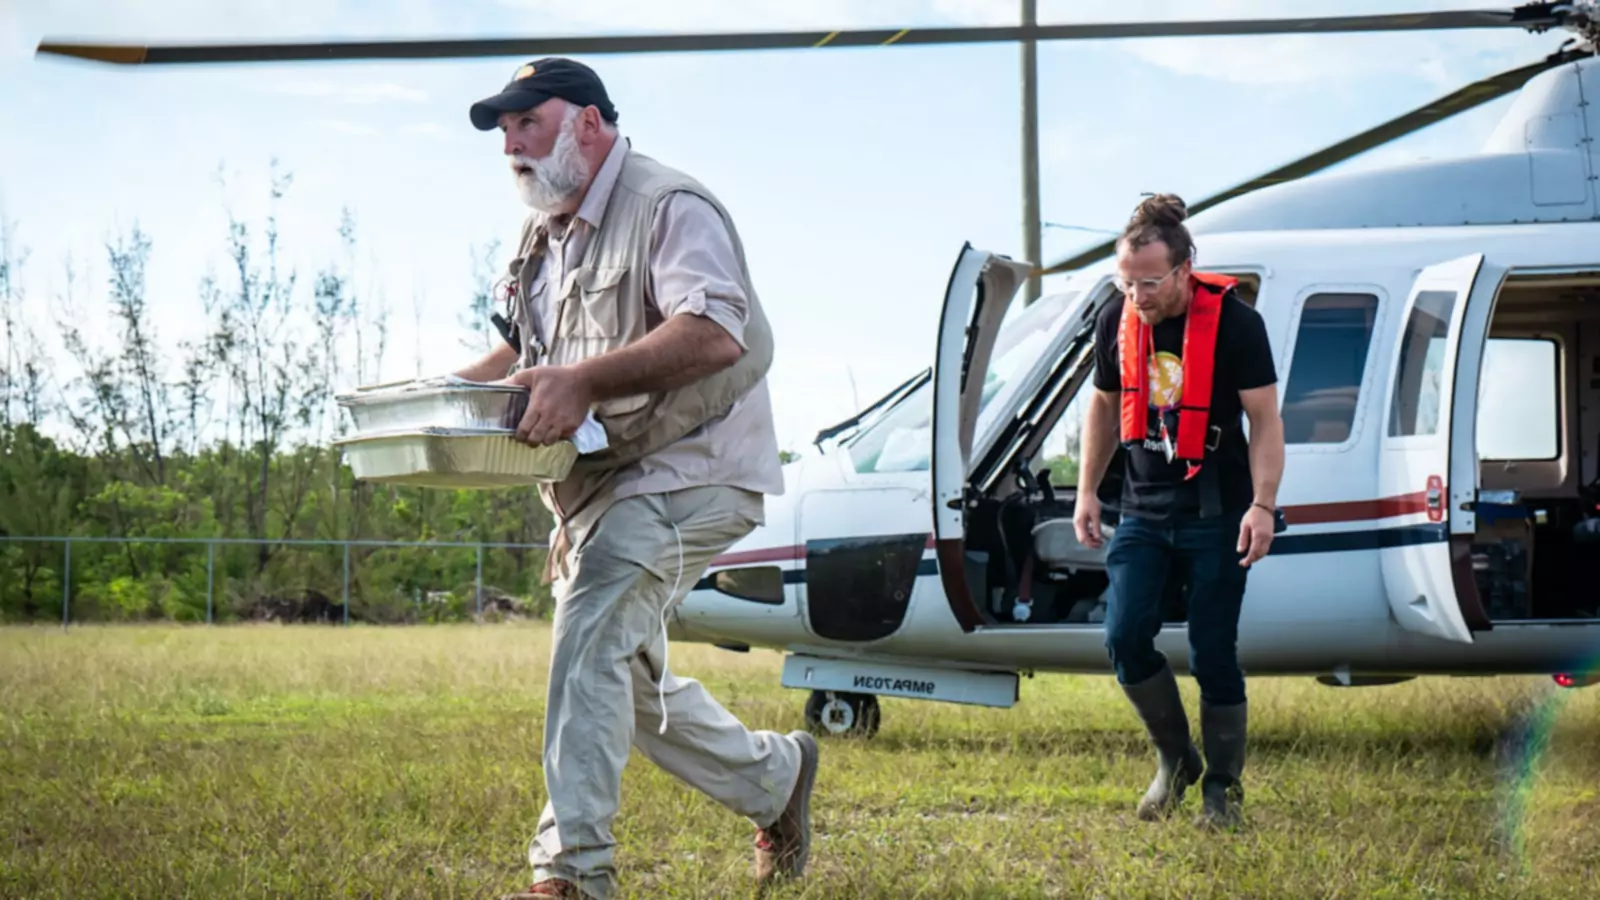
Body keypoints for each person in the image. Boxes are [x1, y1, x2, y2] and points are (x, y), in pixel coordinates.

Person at [451, 57, 819, 900]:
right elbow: (527, 354)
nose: (510, 144)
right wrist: (442, 400)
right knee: (626, 677)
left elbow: (717, 331)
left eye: (526, 123)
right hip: (602, 484)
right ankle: (776, 780)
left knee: (587, 639)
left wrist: (583, 383)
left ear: (587, 122)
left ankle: (572, 875)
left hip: (693, 473)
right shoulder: (545, 230)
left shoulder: (668, 205)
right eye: (503, 132)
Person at [1072, 193, 1284, 829]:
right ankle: (1176, 760)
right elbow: (1105, 406)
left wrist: (1263, 505)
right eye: (1126, 282)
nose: (1137, 296)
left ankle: (1222, 788)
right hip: (1142, 505)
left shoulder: (1238, 324)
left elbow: (1266, 421)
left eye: (1150, 283)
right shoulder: (1117, 318)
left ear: (1187, 267)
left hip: (1217, 509)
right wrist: (1087, 490)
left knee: (1213, 649)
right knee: (1124, 636)